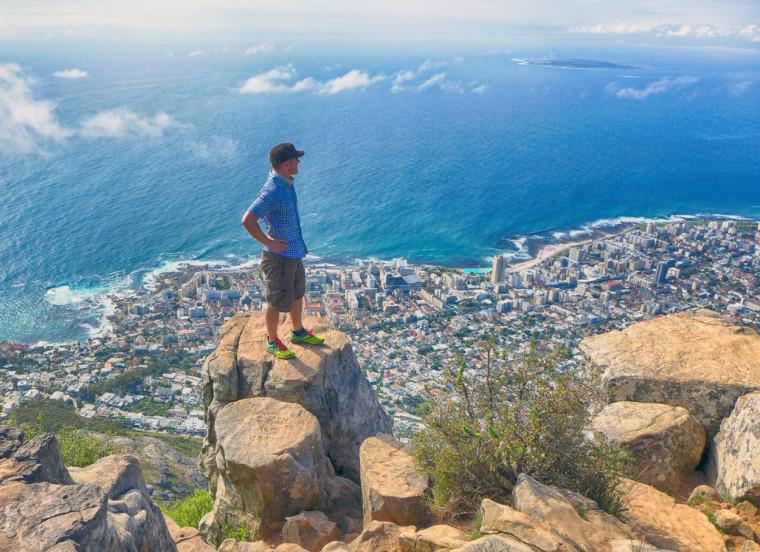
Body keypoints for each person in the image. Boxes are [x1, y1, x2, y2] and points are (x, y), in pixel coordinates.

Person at [241, 143, 325, 359]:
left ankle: (297, 332)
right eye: (295, 159)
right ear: (286, 164)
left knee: (298, 293)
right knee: (277, 300)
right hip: (278, 256)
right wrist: (268, 241)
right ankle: (272, 340)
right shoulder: (274, 190)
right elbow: (248, 220)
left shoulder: (286, 184)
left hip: (294, 252)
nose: (298, 162)